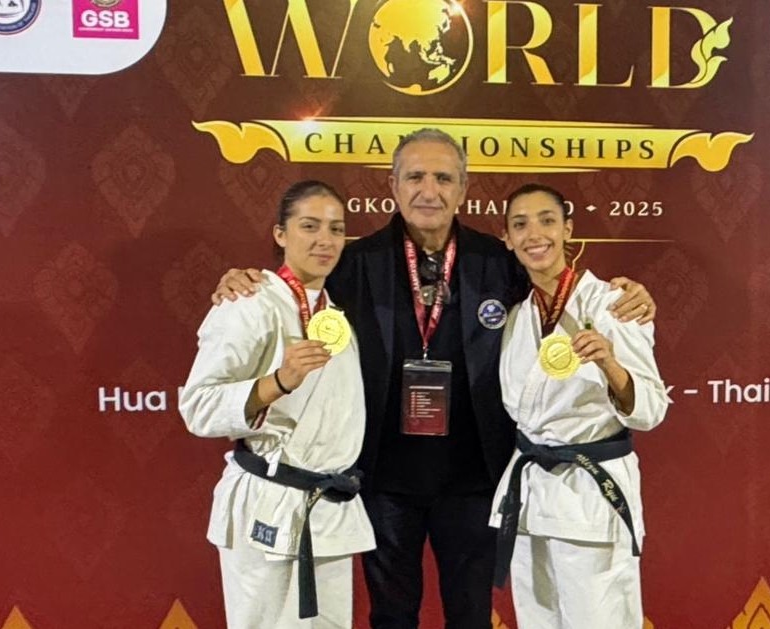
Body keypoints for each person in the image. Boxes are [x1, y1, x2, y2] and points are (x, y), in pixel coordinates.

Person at [212, 129, 657, 629]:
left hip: (475, 476)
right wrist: (243, 279)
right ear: (393, 185)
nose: (430, 190)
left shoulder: (498, 261)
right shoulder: (353, 263)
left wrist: (629, 294)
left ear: (463, 188)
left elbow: (556, 287)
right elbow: (296, 286)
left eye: (444, 178)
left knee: (470, 614)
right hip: (383, 476)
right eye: (416, 177)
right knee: (392, 613)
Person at [179, 180, 374, 629]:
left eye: (336, 229)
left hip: (328, 507)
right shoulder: (247, 303)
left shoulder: (335, 315)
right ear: (280, 234)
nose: (325, 240)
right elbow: (198, 406)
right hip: (269, 503)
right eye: (309, 226)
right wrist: (278, 382)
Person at [490, 183, 668, 629]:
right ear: (507, 239)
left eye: (547, 221)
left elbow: (650, 409)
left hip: (590, 496)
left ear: (568, 229)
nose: (535, 234)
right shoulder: (515, 317)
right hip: (529, 496)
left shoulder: (613, 304)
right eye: (520, 225)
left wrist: (609, 362)